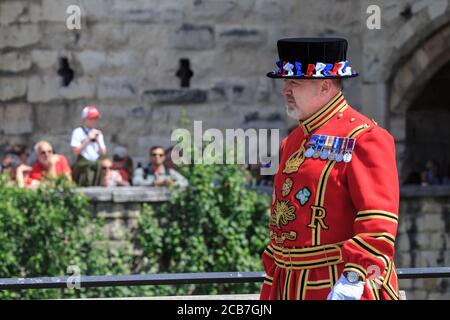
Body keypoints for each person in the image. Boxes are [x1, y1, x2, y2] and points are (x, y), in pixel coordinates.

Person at [260, 38, 400, 300]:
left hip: (337, 282)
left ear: (324, 86)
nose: (285, 90)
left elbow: (378, 220)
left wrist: (353, 277)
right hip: (287, 283)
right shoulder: (293, 140)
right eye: (285, 82)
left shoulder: (365, 136)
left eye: (295, 83)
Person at [71, 105, 106, 186]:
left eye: (95, 118)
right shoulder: (78, 132)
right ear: (84, 119)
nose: (94, 121)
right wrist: (87, 139)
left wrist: (97, 141)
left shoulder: (98, 133)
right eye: (91, 118)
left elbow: (103, 153)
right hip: (83, 166)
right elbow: (75, 152)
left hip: (96, 165)